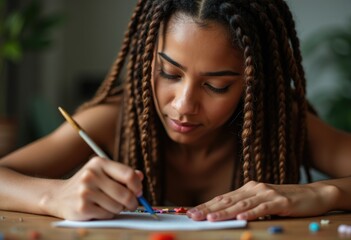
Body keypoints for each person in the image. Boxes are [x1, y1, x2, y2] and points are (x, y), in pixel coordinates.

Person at [0, 0, 351, 222]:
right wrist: (53, 196)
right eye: (169, 73)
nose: (183, 105)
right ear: (146, 59)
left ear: (252, 83)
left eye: (217, 86)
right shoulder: (118, 118)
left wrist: (323, 193)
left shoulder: (281, 124)